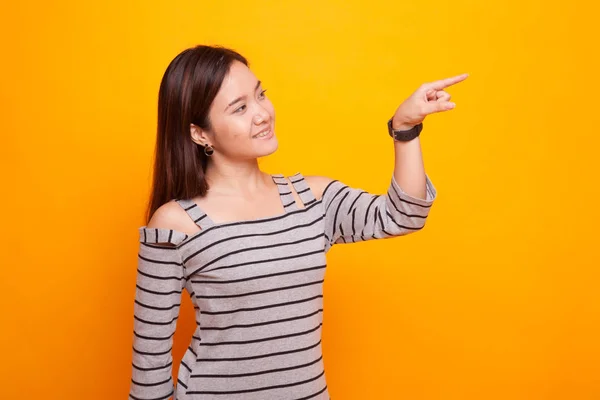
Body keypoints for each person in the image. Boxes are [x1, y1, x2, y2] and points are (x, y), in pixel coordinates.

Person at [129, 44, 467, 400]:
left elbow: (404, 215)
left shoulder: (311, 199)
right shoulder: (175, 222)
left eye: (261, 95)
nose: (262, 113)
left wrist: (405, 128)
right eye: (240, 108)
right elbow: (149, 363)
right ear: (200, 134)